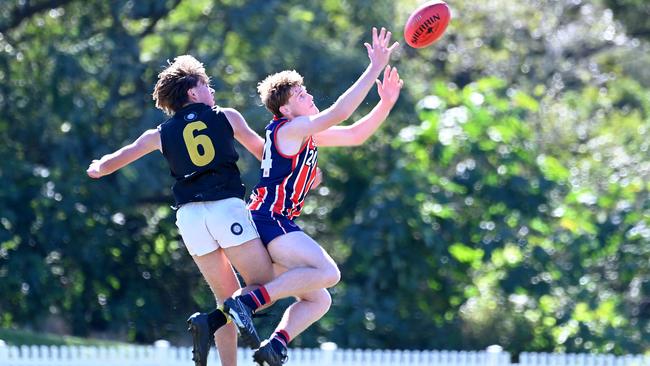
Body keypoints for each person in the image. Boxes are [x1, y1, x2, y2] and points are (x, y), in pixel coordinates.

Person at [86, 55, 278, 366]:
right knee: (267, 282)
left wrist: (98, 168)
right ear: (192, 92)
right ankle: (212, 321)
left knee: (226, 298)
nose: (211, 90)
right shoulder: (226, 116)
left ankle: (223, 354)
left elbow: (118, 158)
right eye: (207, 84)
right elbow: (263, 153)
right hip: (225, 208)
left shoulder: (159, 134)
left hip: (189, 218)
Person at [233, 26, 403, 366]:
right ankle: (248, 304)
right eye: (299, 96)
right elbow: (340, 113)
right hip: (269, 221)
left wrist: (384, 105)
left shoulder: (303, 133)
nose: (308, 97)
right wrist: (374, 68)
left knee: (320, 300)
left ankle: (275, 345)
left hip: (270, 222)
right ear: (284, 111)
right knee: (330, 273)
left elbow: (355, 134)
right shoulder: (291, 129)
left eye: (305, 91)